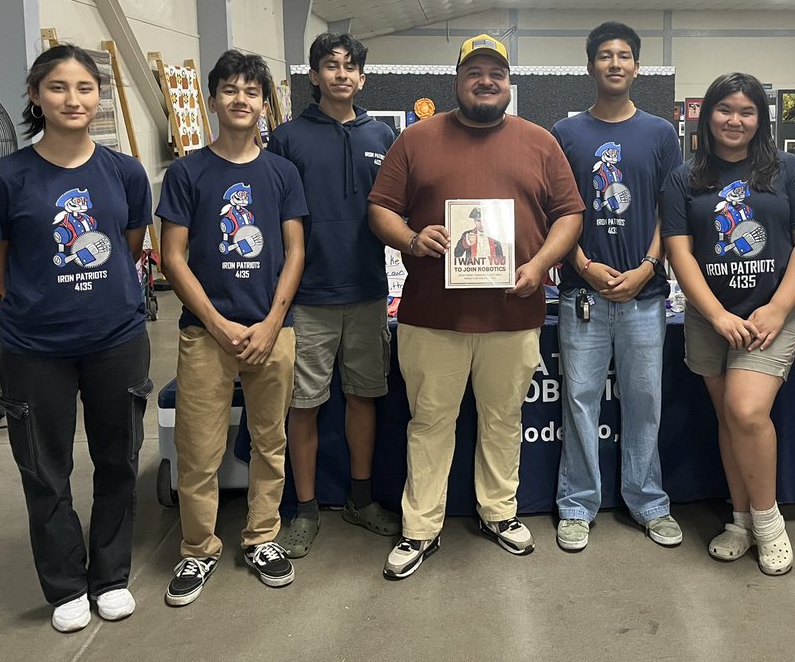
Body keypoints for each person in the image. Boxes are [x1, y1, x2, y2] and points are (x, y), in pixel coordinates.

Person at [368, 34, 583, 580]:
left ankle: (498, 513)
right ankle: (420, 527)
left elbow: (569, 215)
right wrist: (414, 240)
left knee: (503, 420)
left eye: (497, 73)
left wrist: (540, 267)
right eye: (475, 72)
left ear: (509, 83)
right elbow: (381, 211)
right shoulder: (416, 139)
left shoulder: (539, 142)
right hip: (431, 318)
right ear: (457, 80)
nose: (486, 81)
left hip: (513, 315)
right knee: (430, 423)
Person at [0, 45, 153, 632]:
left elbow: (126, 249)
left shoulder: (124, 173)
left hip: (116, 338)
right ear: (35, 96)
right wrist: (47, 299)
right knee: (44, 467)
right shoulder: (2, 180)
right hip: (35, 347)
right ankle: (65, 584)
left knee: (118, 459)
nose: (72, 99)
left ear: (98, 96)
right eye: (57, 87)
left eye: (84, 87)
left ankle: (110, 576)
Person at [156, 50, 308, 606]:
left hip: (274, 331)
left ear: (265, 102)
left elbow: (295, 252)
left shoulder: (282, 173)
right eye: (229, 90)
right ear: (213, 99)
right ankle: (197, 549)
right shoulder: (187, 172)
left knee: (271, 441)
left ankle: (262, 537)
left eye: (251, 90)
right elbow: (173, 257)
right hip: (205, 333)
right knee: (199, 449)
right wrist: (218, 324)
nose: (240, 100)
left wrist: (271, 321)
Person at [663, 72, 795, 572]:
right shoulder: (684, 176)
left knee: (747, 411)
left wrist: (776, 309)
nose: (735, 120)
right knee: (729, 419)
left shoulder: (787, 171)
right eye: (725, 109)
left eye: (746, 111)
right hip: (710, 318)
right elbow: (678, 251)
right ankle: (740, 519)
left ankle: (769, 521)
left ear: (761, 119)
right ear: (707, 114)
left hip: (769, 317)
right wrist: (714, 313)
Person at [551, 22, 683, 552]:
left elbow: (669, 210)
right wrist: (581, 264)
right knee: (580, 400)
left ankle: (647, 500)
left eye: (624, 55)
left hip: (644, 297)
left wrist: (650, 266)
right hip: (581, 294)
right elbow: (554, 210)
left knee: (644, 400)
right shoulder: (566, 134)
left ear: (636, 67)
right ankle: (577, 505)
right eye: (604, 55)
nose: (614, 63)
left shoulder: (659, 134)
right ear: (590, 66)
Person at [267, 32, 399, 558]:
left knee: (364, 397)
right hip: (307, 296)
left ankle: (360, 499)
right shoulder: (287, 138)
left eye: (350, 67)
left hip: (368, 291)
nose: (341, 75)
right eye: (330, 66)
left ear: (362, 77)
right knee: (304, 406)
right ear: (315, 76)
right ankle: (303, 508)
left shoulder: (384, 135)